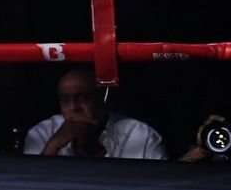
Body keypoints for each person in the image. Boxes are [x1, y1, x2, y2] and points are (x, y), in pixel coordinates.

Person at [24, 67, 166, 160]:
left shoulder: (141, 136)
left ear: (102, 100)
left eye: (83, 98)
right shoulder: (41, 133)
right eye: (65, 100)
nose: (73, 108)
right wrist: (53, 146)